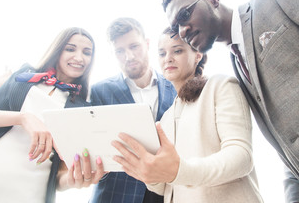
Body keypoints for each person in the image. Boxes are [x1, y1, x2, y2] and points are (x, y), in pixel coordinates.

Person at [160, 0, 299, 202]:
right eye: (176, 27)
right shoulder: (238, 66)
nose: (183, 30)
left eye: (184, 15)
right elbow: (288, 146)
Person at [112, 27, 263, 202]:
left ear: (198, 54)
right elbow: (164, 187)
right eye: (162, 53)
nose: (168, 58)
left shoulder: (220, 86)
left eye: (177, 50)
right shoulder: (167, 117)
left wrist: (180, 170)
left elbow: (241, 157)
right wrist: (146, 172)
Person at [0, 27, 105, 203]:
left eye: (87, 53)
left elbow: (60, 176)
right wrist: (23, 118)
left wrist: (73, 180)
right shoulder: (20, 76)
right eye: (70, 49)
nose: (79, 58)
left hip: (30, 195)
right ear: (57, 49)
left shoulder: (81, 110)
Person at [89, 18, 177, 203]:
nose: (128, 56)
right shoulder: (100, 91)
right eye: (120, 51)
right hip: (114, 195)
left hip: (164, 193)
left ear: (147, 44)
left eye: (134, 46)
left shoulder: (175, 86)